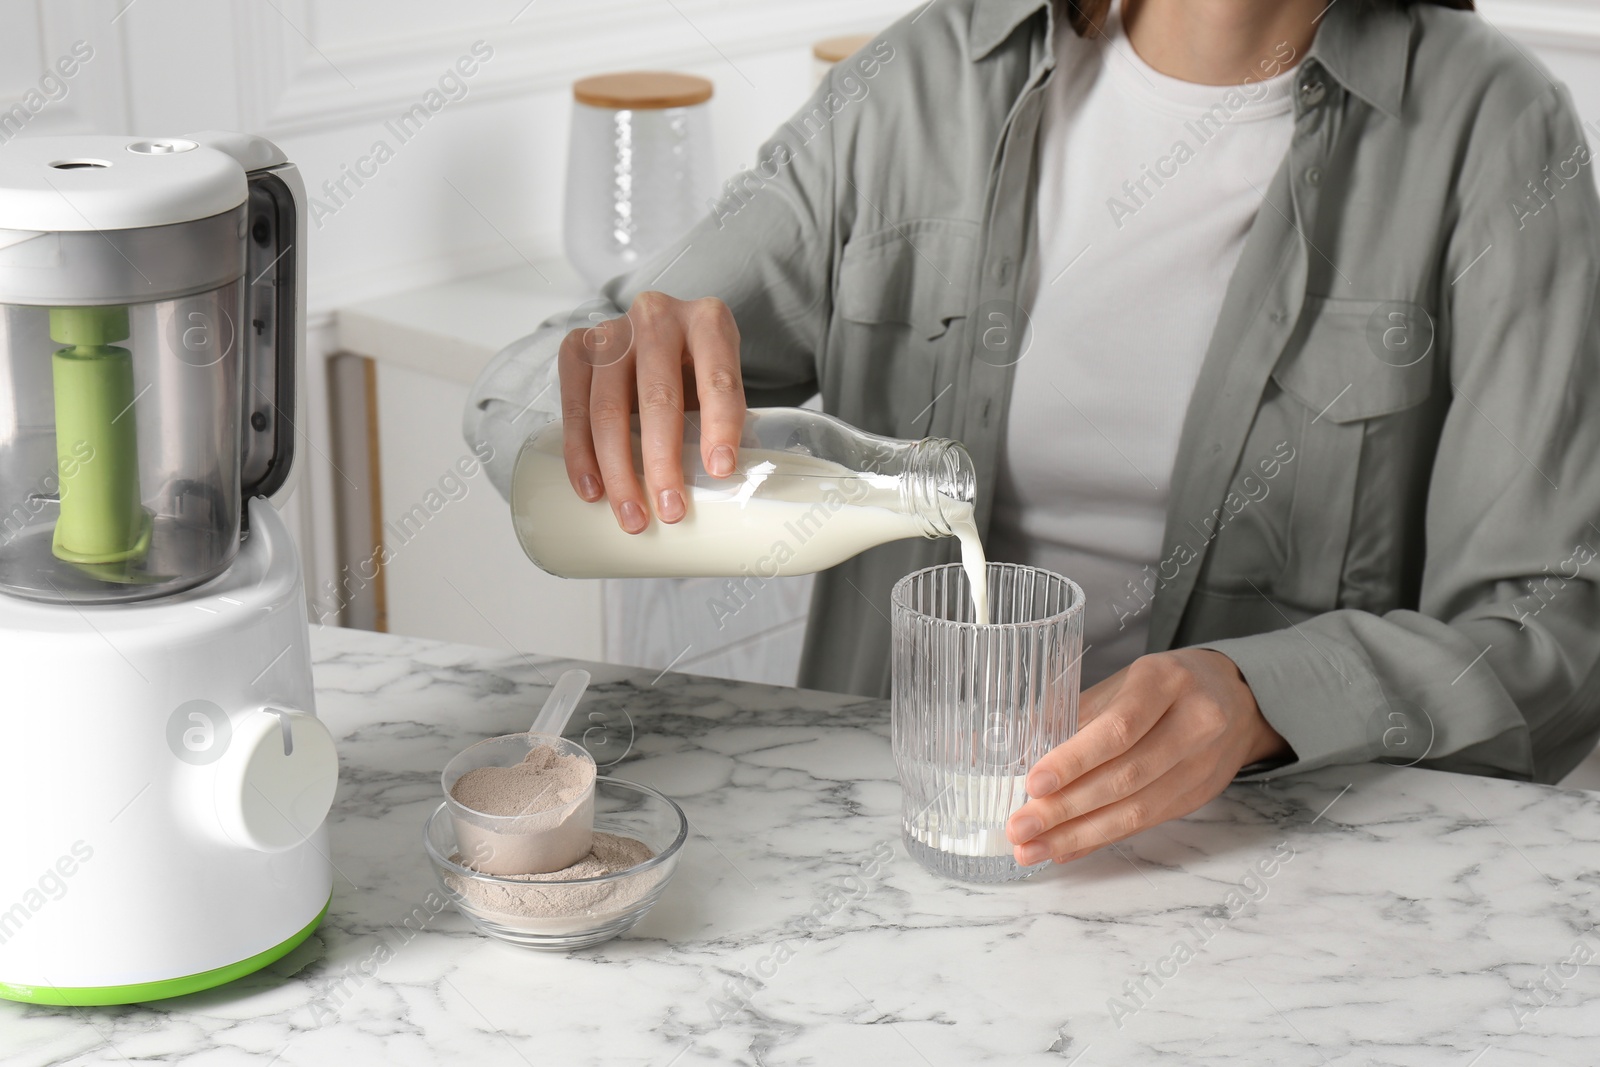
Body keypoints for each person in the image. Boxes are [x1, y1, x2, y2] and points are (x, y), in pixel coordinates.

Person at [466, 0, 1600, 869]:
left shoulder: (1488, 125)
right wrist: (606, 373)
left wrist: (1258, 700)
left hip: (1269, 877)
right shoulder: (926, 80)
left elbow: (1554, 629)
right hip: (904, 858)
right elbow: (553, 368)